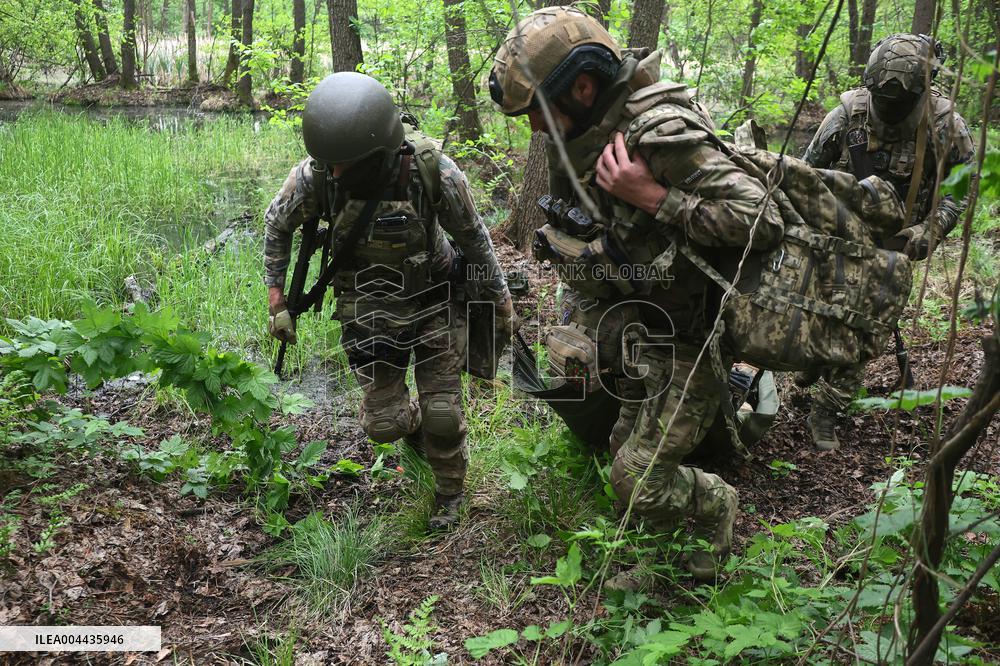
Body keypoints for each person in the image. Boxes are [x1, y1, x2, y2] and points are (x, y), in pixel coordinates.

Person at [488, 6, 785, 584]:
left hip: (692, 336)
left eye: (540, 113)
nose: (535, 130)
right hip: (642, 330)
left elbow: (761, 219)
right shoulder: (580, 135)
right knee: (622, 452)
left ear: (582, 86)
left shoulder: (659, 130)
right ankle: (661, 550)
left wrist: (654, 198)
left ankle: (716, 513)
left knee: (637, 476)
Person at [264, 72, 513, 530]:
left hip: (434, 299)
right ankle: (411, 422)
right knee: (383, 426)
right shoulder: (318, 174)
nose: (335, 173)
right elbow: (277, 223)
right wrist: (277, 298)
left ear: (380, 151)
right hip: (368, 310)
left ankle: (449, 495)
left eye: (346, 164)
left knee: (443, 412)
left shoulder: (432, 170)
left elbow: (474, 239)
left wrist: (497, 299)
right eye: (329, 164)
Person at [800, 33, 975, 451]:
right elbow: (805, 173)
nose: (890, 110)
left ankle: (826, 408)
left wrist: (926, 233)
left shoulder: (946, 125)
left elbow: (962, 190)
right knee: (817, 312)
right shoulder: (847, 115)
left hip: (897, 246)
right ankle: (815, 361)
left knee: (866, 325)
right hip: (838, 234)